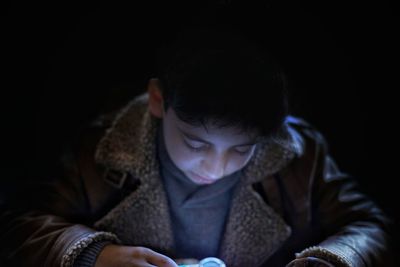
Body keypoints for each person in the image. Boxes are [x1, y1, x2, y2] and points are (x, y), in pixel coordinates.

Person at [0, 25, 393, 267]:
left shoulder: (300, 156)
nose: (217, 166)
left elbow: (372, 227)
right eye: (195, 142)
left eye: (241, 149)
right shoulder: (99, 149)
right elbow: (19, 223)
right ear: (158, 101)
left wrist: (332, 260)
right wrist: (92, 255)